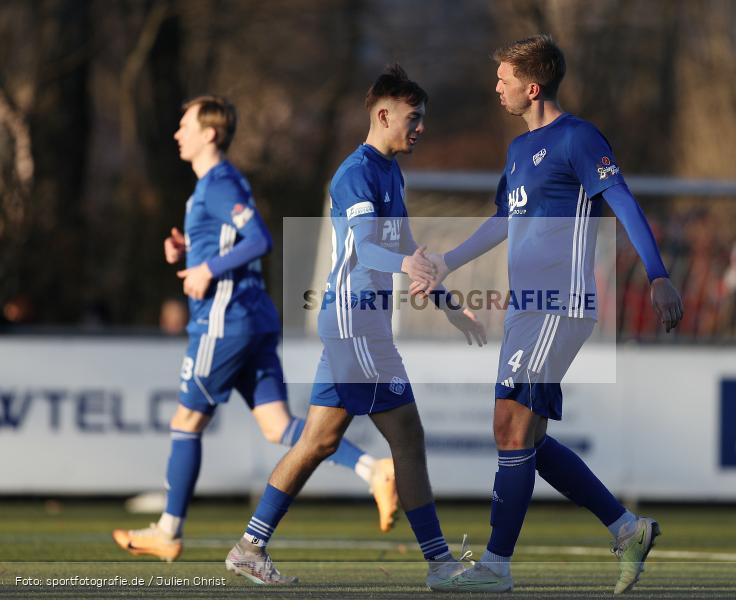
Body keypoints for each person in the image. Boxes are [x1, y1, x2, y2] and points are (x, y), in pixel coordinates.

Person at [418, 36, 684, 594]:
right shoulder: (518, 152)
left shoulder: (578, 138)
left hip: (558, 306)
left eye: (503, 78)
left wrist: (658, 275)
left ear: (531, 87)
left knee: (509, 427)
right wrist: (445, 261)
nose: (496, 86)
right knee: (526, 438)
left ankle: (495, 566)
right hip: (524, 309)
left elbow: (624, 202)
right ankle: (627, 528)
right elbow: (502, 221)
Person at [222, 65, 486, 587]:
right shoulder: (355, 174)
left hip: (355, 322)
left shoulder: (390, 172)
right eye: (414, 117)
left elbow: (408, 246)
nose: (421, 128)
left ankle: (249, 546)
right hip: (354, 322)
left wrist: (451, 304)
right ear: (383, 114)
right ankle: (440, 565)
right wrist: (406, 267)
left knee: (318, 441)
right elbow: (366, 247)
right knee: (407, 436)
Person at [112, 95, 398, 564]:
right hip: (253, 318)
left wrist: (207, 271)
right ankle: (373, 469)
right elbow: (230, 241)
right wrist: (188, 253)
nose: (176, 133)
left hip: (225, 321)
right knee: (278, 425)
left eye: (184, 125)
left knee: (186, 421)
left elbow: (259, 239)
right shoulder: (215, 185)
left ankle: (168, 530)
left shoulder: (219, 183)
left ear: (209, 133)